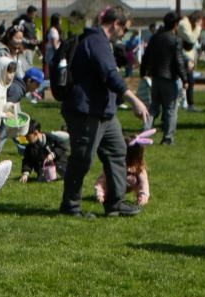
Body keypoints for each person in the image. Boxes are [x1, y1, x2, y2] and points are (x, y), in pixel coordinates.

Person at [61, 7, 149, 219]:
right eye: (124, 29)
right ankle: (71, 205)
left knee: (117, 150)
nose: (124, 34)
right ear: (116, 24)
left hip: (104, 112)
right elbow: (110, 75)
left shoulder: (101, 43)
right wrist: (134, 100)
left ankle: (115, 203)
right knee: (83, 158)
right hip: (86, 111)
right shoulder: (96, 42)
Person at [141, 12, 187, 146]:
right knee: (170, 109)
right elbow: (178, 61)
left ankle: (145, 131)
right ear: (175, 25)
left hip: (155, 77)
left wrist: (143, 71)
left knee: (153, 107)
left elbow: (146, 56)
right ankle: (168, 138)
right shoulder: (175, 39)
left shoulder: (155, 38)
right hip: (169, 78)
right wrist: (185, 79)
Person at [95, 133, 151, 207]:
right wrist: (100, 194)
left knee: (138, 179)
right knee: (110, 178)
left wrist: (143, 197)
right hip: (113, 185)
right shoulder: (115, 164)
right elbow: (101, 181)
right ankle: (109, 194)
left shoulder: (139, 168)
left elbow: (144, 184)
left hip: (130, 184)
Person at [177, 11, 203, 112]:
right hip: (181, 56)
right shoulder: (184, 24)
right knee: (184, 81)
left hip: (186, 57)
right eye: (200, 21)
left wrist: (191, 60)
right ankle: (184, 103)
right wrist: (198, 27)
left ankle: (188, 103)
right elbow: (191, 39)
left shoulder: (188, 25)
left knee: (189, 81)